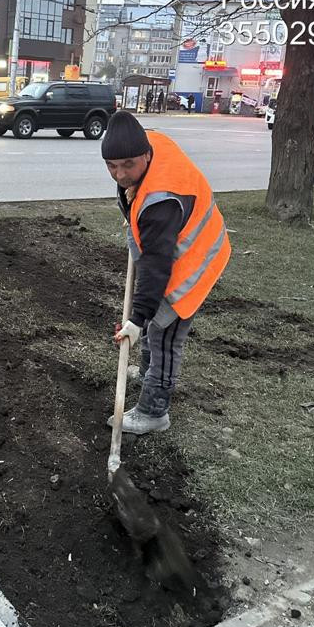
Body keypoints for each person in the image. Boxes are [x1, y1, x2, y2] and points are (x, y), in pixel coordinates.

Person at [102, 110, 231, 433]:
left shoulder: (159, 203)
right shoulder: (151, 142)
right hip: (174, 237)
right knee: (152, 326)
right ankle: (149, 371)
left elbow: (156, 268)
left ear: (146, 155)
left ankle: (153, 411)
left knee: (164, 335)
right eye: (112, 166)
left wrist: (136, 320)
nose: (120, 174)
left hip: (193, 260)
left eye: (128, 165)